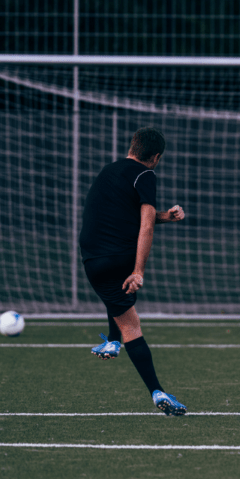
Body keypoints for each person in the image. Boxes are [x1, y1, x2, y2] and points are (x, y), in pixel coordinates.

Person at [79, 127, 188, 416]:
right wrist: (138, 270)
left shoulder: (109, 170)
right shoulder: (146, 174)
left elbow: (129, 215)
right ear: (155, 157)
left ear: (131, 146)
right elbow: (145, 225)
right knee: (132, 325)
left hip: (91, 260)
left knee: (115, 295)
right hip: (119, 257)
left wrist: (165, 215)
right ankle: (157, 391)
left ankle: (112, 343)